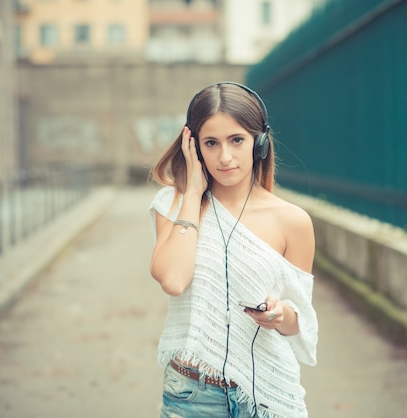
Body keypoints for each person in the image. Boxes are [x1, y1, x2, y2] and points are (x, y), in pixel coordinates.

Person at [148, 81, 318, 418]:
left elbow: (300, 321)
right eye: (211, 143)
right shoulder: (175, 204)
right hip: (192, 396)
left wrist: (279, 315)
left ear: (260, 143)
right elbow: (173, 279)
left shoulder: (293, 221)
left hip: (267, 395)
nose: (224, 157)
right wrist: (193, 195)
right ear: (193, 147)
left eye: (236, 140)